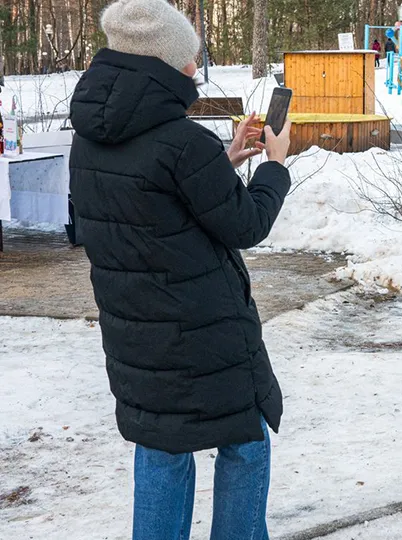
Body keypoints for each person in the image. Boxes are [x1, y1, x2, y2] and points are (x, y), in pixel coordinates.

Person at [68, 0, 292, 537]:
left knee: (162, 448)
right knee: (245, 441)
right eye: (189, 58)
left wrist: (226, 160)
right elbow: (245, 224)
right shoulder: (182, 142)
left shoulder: (90, 137)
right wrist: (275, 165)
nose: (195, 68)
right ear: (164, 63)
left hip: (136, 338)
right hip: (204, 334)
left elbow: (146, 200)